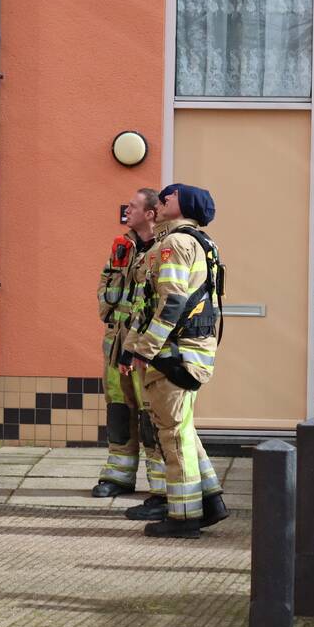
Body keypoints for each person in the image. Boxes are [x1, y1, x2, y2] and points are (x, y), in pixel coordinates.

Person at [120, 183, 229, 539]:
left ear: (185, 206)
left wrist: (144, 349)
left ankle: (183, 518)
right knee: (182, 428)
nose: (163, 198)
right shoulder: (196, 242)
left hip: (174, 355)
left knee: (171, 434)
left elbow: (170, 303)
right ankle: (211, 501)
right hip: (187, 352)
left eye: (170, 196)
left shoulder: (175, 244)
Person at [92, 188, 166, 506]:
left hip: (147, 347)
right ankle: (117, 476)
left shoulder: (166, 248)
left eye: (133, 207)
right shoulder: (123, 246)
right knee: (119, 409)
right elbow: (105, 284)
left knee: (152, 414)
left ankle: (161, 484)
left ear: (150, 213)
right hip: (116, 342)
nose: (127, 211)